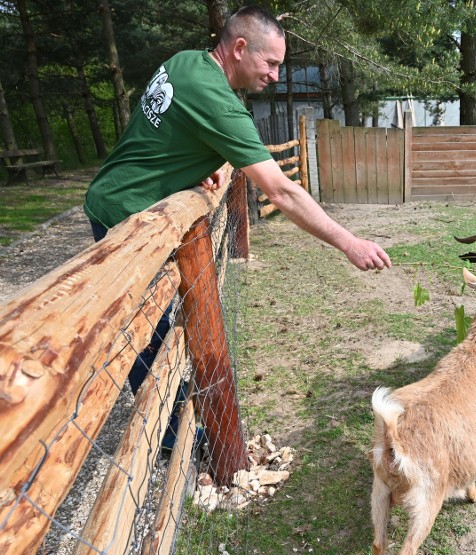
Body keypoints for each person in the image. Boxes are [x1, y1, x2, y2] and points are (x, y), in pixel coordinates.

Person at [84, 5, 391, 448]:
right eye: (271, 64)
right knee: (146, 333)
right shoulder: (219, 103)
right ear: (240, 48)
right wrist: (348, 242)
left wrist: (189, 167)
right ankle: (172, 437)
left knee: (160, 323)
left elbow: (159, 132)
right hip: (124, 219)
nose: (275, 76)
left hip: (112, 199)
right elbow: (282, 192)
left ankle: (177, 417)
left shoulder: (184, 62)